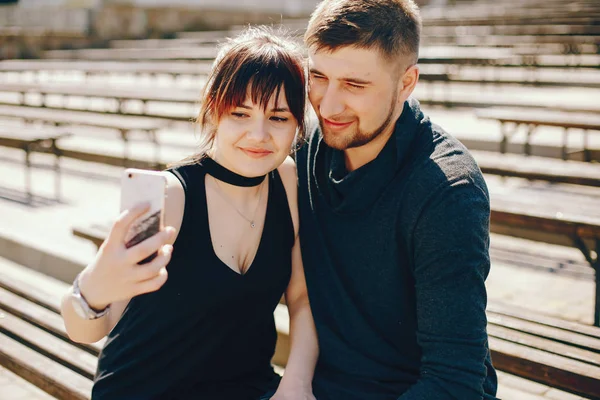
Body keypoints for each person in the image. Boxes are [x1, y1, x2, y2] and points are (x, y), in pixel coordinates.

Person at [60, 27, 318, 400]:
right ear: (214, 110)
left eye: (278, 118)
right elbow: (87, 330)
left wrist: (295, 383)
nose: (259, 134)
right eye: (240, 114)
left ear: (297, 124)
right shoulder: (171, 197)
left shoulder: (288, 179)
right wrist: (93, 288)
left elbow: (302, 298)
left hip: (247, 388)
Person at [296, 0, 499, 399]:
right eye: (319, 77)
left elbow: (454, 380)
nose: (328, 104)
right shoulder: (304, 149)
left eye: (355, 85)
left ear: (407, 83)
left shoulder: (447, 191)